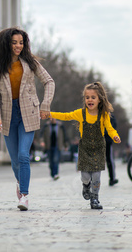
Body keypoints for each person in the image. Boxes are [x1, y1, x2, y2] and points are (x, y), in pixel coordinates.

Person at [0, 27, 55, 211]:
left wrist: (45, 105)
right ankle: (20, 182)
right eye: (14, 42)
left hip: (29, 113)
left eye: (21, 42)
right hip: (9, 116)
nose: (18, 46)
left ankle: (24, 196)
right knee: (15, 160)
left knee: (24, 156)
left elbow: (49, 81)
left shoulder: (30, 63)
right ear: (6, 44)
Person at [49, 82, 121, 210]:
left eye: (93, 97)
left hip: (99, 149)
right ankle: (86, 185)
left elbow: (109, 128)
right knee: (86, 176)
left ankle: (95, 199)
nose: (90, 100)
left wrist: (115, 136)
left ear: (99, 100)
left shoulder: (103, 115)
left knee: (97, 176)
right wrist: (50, 114)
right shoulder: (80, 113)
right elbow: (66, 116)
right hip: (85, 149)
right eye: (87, 97)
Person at [104, 115, 119, 186]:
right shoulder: (110, 116)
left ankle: (112, 179)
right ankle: (112, 179)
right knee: (109, 160)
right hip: (106, 140)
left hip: (103, 140)